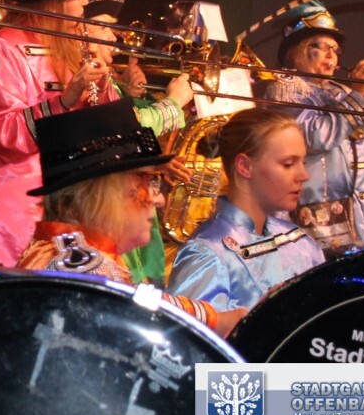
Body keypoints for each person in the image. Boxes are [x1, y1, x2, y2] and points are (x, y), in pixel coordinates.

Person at [16, 100, 245, 337]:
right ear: (104, 194)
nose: (159, 200)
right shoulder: (82, 268)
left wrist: (213, 319)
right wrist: (214, 321)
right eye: (147, 183)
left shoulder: (67, 254)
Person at [0, 0, 116, 268]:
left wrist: (102, 89)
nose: (85, 3)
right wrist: (63, 102)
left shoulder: (72, 41)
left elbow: (104, 126)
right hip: (19, 208)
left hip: (72, 201)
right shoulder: (3, 47)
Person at [259, 0, 364, 255]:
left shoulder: (341, 93)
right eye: (320, 47)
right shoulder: (285, 89)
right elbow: (316, 138)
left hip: (362, 222)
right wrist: (359, 94)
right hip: (316, 226)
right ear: (294, 53)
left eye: (335, 49)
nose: (332, 55)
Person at [81, 0, 194, 284]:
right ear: (79, 28)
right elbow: (119, 128)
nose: (115, 38)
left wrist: (154, 159)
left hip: (125, 207)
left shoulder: (104, 80)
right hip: (103, 215)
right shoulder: (79, 78)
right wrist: (173, 103)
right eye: (104, 26)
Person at [166, 108, 325, 310]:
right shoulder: (207, 254)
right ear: (245, 166)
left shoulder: (300, 241)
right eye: (288, 164)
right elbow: (187, 329)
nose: (304, 175)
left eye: (303, 162)